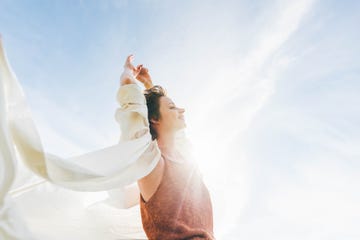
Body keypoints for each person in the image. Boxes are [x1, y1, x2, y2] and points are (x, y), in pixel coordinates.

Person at [117, 55, 215, 239]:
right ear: (153, 119)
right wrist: (128, 72)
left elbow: (178, 137)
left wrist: (149, 85)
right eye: (172, 107)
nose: (181, 110)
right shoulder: (152, 166)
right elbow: (133, 109)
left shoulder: (186, 160)